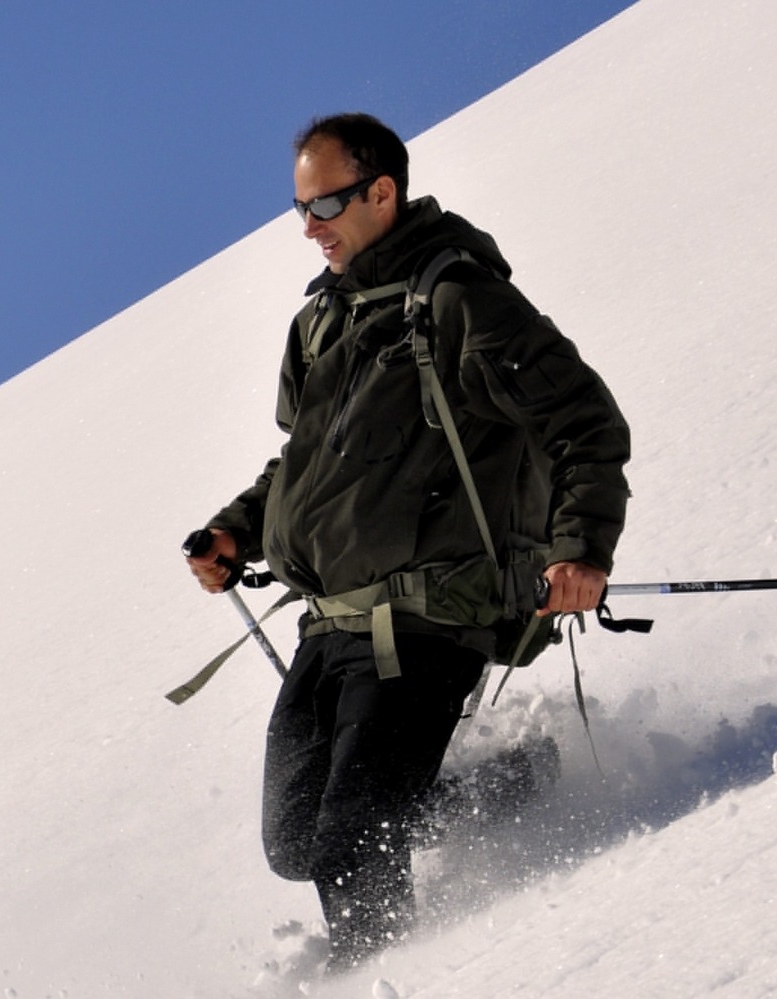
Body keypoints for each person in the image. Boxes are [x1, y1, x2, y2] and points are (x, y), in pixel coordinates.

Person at [185, 112, 631, 971]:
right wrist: (236, 530)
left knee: (353, 839)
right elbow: (305, 464)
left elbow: (584, 419)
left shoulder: (458, 301)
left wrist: (581, 549)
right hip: (331, 625)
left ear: (382, 191)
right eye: (301, 209)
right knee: (295, 839)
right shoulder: (324, 323)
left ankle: (384, 976)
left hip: (424, 624)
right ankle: (504, 786)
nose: (309, 228)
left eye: (327, 206)